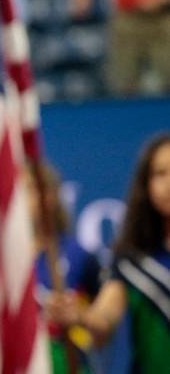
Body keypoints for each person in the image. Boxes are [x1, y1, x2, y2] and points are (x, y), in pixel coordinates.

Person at [46, 133, 170, 372]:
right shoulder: (132, 261)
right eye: (159, 174)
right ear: (146, 185)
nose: (168, 183)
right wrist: (79, 315)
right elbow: (104, 319)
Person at [26, 159, 103, 374]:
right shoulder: (4, 258)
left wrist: (78, 316)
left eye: (29, 188)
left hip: (66, 363)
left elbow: (103, 323)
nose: (21, 197)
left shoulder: (78, 255)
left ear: (49, 197)